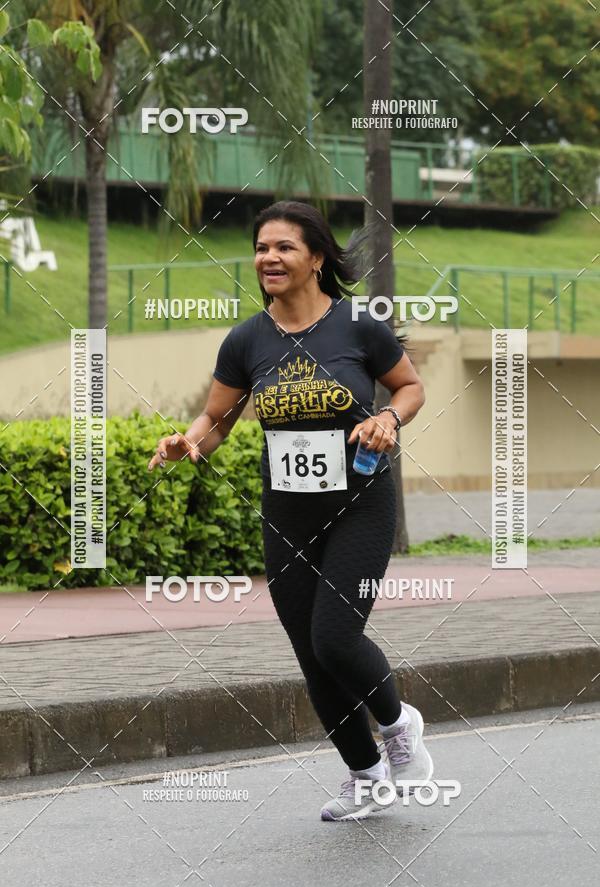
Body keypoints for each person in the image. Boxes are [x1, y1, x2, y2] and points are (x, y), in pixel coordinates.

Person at [148, 200, 433, 821]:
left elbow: (409, 388)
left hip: (361, 501)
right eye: (261, 248)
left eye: (283, 247)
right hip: (287, 513)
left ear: (317, 258)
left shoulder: (358, 326)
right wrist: (188, 441)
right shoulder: (247, 339)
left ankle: (397, 719)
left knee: (335, 638)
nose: (268, 258)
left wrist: (386, 418)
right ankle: (365, 776)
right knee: (309, 652)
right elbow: (217, 418)